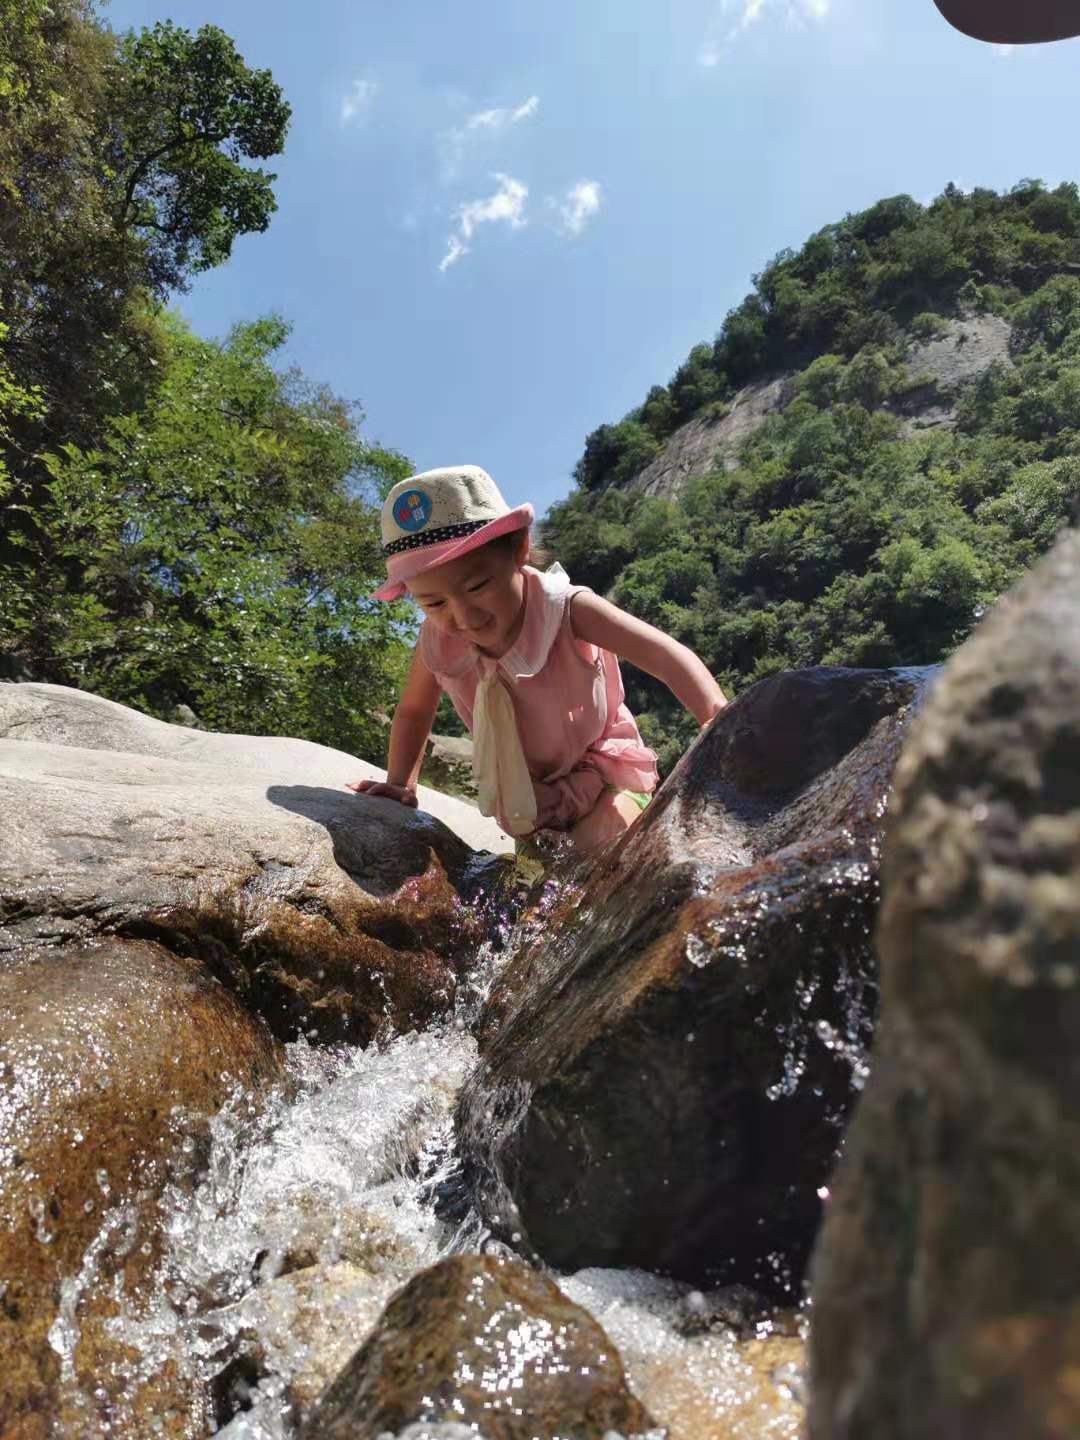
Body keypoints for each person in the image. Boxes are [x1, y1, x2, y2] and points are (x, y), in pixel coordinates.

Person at [348, 465, 727, 850]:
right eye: (433, 602)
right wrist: (399, 782)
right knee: (538, 894)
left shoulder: (565, 609)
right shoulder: (438, 640)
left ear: (519, 549)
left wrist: (718, 719)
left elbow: (664, 654)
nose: (463, 617)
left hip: (606, 775)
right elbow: (414, 709)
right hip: (528, 797)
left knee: (589, 859)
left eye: (477, 586)